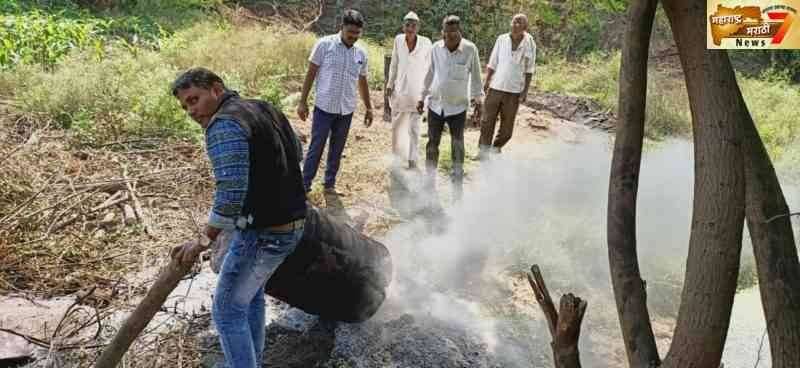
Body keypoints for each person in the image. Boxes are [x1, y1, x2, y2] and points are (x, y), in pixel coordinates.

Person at [170, 67, 307, 368]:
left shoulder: (223, 124)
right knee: (249, 297)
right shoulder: (263, 108)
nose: (191, 111)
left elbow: (230, 195)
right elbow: (297, 152)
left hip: (264, 233)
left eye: (194, 100)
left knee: (226, 311)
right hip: (294, 223)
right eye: (185, 106)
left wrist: (202, 241)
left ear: (216, 89)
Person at [297, 9, 374, 195]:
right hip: (324, 107)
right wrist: (302, 101)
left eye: (357, 33)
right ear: (342, 27)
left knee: (337, 150)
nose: (353, 36)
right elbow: (311, 73)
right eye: (350, 32)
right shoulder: (324, 45)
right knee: (316, 147)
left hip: (346, 110)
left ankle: (329, 184)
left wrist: (369, 107)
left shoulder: (361, 54)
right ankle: (303, 186)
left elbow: (362, 81)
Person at [417, 15, 483, 200]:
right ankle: (429, 182)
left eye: (454, 33)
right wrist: (421, 97)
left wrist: (478, 101)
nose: (451, 37)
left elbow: (476, 77)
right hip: (436, 105)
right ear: (442, 33)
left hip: (457, 107)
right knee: (432, 144)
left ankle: (457, 183)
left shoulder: (470, 49)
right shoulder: (436, 48)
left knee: (457, 144)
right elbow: (430, 73)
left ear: (459, 32)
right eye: (447, 33)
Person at [478, 13, 536, 159]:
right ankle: (483, 152)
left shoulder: (529, 43)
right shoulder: (502, 39)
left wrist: (525, 91)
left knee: (507, 129)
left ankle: (496, 147)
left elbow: (530, 69)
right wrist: (487, 81)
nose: (515, 25)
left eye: (519, 22)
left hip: (514, 91)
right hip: (496, 87)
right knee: (487, 122)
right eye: (514, 21)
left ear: (525, 27)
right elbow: (492, 62)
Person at [386, 11, 432, 170]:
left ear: (418, 27)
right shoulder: (398, 40)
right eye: (407, 25)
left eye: (413, 25)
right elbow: (394, 63)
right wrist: (390, 83)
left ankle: (413, 160)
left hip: (418, 91)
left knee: (414, 128)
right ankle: (397, 158)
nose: (410, 28)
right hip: (400, 90)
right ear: (403, 26)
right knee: (397, 126)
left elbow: (430, 68)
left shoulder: (426, 43)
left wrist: (427, 91)